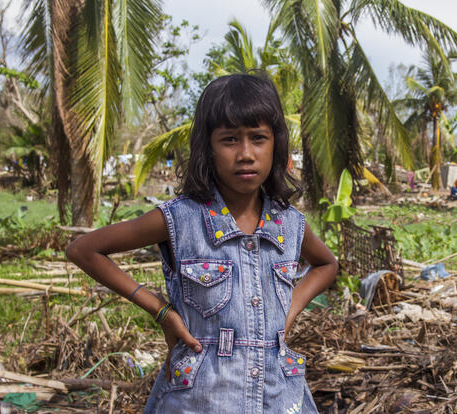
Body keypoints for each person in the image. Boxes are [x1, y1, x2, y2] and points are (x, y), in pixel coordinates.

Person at [66, 73, 338, 413]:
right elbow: (83, 249)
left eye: (258, 138)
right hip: (201, 398)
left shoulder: (290, 223)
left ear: (276, 144)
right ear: (208, 147)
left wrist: (290, 309)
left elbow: (327, 265)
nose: (245, 154)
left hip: (278, 395)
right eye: (229, 140)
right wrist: (161, 311)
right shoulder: (181, 218)